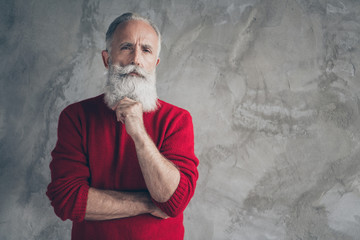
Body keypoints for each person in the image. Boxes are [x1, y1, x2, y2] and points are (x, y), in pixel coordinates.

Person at [46, 12, 199, 240]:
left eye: (146, 50)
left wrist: (138, 132)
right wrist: (147, 203)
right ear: (107, 59)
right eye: (126, 47)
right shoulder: (76, 116)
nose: (136, 59)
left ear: (154, 64)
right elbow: (68, 200)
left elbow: (173, 200)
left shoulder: (177, 119)